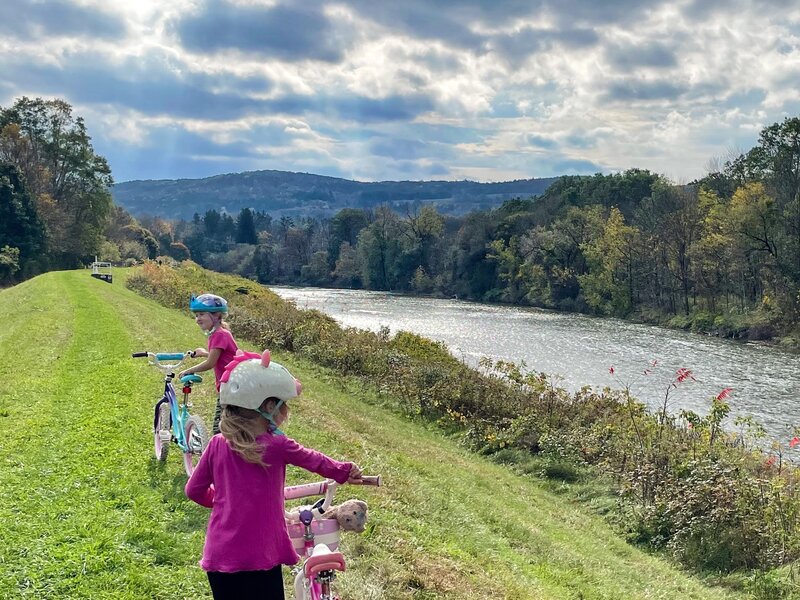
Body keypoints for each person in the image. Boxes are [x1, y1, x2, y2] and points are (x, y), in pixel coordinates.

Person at [185, 349, 362, 600]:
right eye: (283, 404)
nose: (285, 411)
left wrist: (222, 500)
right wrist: (345, 471)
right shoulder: (278, 446)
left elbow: (193, 490)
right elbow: (314, 460)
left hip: (221, 556)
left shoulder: (216, 444)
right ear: (269, 406)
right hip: (261, 557)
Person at [179, 293, 239, 435]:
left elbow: (210, 363)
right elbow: (223, 356)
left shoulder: (218, 335)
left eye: (201, 314)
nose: (197, 319)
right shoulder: (221, 333)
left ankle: (221, 455)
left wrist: (188, 370)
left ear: (216, 315)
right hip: (234, 386)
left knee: (220, 431)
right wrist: (204, 352)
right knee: (230, 427)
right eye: (196, 315)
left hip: (229, 388)